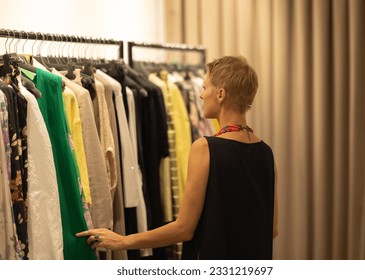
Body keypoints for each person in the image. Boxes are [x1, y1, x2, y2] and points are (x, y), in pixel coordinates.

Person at [76, 55, 278, 260]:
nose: (201, 95)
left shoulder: (206, 148)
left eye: (205, 88)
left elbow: (183, 229)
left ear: (220, 94)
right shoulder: (266, 152)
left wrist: (122, 241)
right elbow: (272, 229)